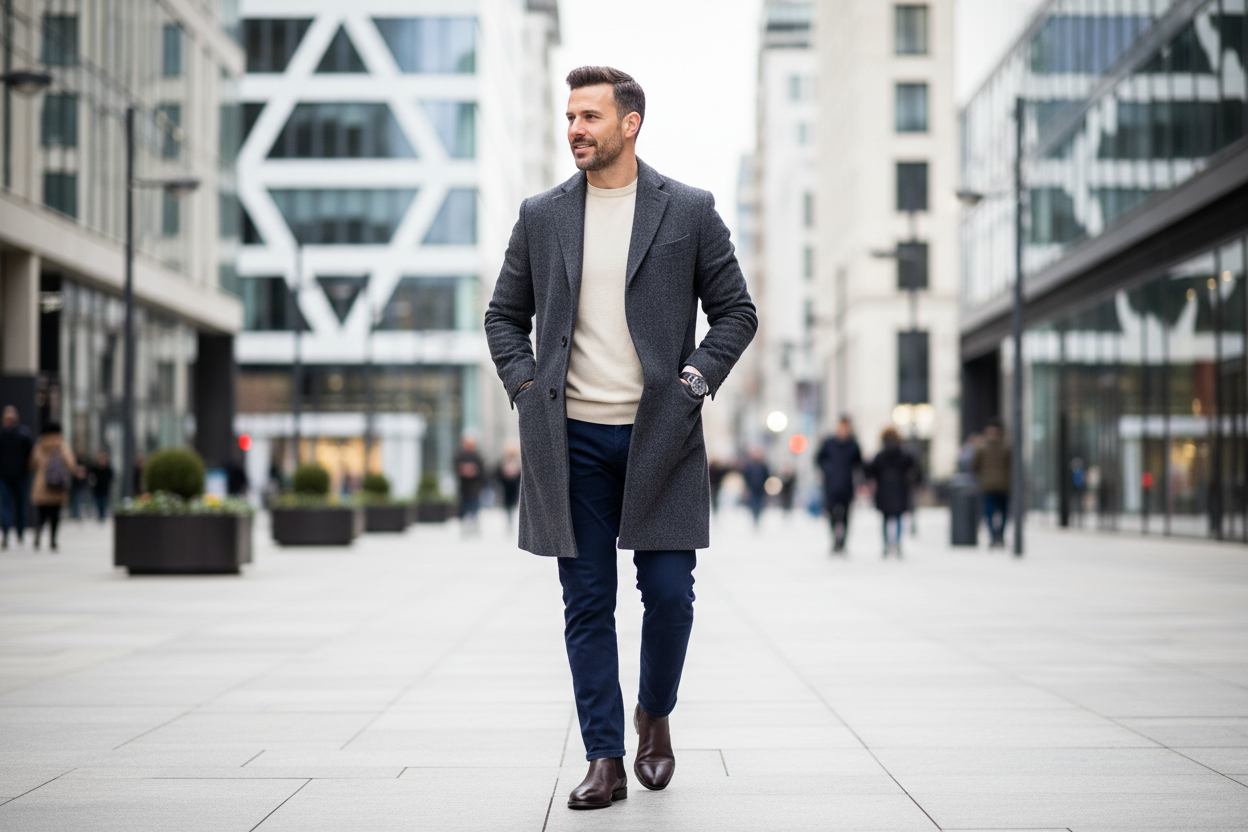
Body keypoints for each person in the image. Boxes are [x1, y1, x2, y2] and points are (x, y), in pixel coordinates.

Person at [484, 66, 756, 810]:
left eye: (589, 117)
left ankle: (654, 714)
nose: (574, 128)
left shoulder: (689, 211)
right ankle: (604, 757)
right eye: (569, 116)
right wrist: (525, 386)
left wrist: (695, 380)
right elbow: (503, 316)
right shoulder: (541, 215)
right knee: (587, 601)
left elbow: (736, 311)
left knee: (669, 596)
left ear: (630, 123)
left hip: (660, 438)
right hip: (568, 440)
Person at [867, 427, 918, 558]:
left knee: (885, 519)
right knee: (899, 518)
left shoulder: (881, 455)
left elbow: (871, 471)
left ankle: (886, 544)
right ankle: (898, 543)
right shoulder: (903, 453)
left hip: (884, 490)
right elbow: (914, 469)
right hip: (900, 490)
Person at [816, 417, 863, 554]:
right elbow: (819, 459)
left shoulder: (853, 444)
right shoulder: (829, 443)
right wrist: (828, 470)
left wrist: (860, 480)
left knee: (846, 516)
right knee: (831, 515)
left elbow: (859, 464)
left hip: (847, 486)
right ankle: (834, 541)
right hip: (831, 486)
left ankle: (842, 543)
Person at [30, 422, 75, 551]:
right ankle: (53, 540)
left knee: (41, 515)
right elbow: (71, 464)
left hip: (41, 485)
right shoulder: (62, 446)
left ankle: (38, 532)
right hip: (57, 487)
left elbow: (32, 464)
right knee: (55, 515)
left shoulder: (39, 446)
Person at [972, 419, 1011, 548]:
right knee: (1003, 512)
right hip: (1004, 485)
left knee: (989, 513)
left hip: (988, 485)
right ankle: (1000, 536)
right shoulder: (1007, 445)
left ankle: (993, 537)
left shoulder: (981, 446)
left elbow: (974, 465)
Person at [0, 406, 34, 548]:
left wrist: (28, 471)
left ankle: (19, 533)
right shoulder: (2, 435)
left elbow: (31, 455)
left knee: (20, 506)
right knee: (6, 505)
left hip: (20, 477)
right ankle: (6, 532)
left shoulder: (23, 435)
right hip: (4, 477)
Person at [454, 435, 486, 535]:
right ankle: (464, 526)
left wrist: (474, 471)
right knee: (463, 507)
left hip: (475, 487)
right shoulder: (460, 456)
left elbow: (482, 471)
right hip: (463, 486)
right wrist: (463, 470)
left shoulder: (477, 456)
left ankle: (475, 526)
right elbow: (455, 468)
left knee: (474, 507)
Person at [741, 447, 769, 528]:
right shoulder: (749, 466)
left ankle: (758, 519)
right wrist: (746, 488)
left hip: (761, 489)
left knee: (760, 505)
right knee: (753, 505)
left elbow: (767, 477)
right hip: (752, 489)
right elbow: (746, 477)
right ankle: (754, 519)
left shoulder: (763, 466)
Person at [496, 445, 521, 529]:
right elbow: (497, 473)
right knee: (507, 504)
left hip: (514, 485)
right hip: (506, 485)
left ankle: (511, 520)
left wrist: (515, 473)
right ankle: (509, 520)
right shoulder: (503, 461)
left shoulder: (518, 461)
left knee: (513, 503)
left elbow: (520, 474)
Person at [89, 450, 114, 520]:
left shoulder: (108, 469)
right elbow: (91, 476)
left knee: (103, 504)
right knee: (98, 504)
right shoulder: (94, 468)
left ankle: (102, 517)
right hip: (97, 490)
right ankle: (100, 516)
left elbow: (111, 477)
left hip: (105, 490)